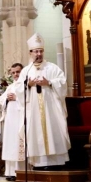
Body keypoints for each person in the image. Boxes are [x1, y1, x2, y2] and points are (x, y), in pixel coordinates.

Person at [22, 33, 71, 168]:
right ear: (30, 53)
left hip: (51, 109)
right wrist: (28, 85)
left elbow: (63, 83)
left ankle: (56, 162)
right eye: (36, 51)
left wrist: (49, 82)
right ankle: (39, 163)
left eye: (41, 51)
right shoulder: (26, 71)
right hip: (34, 109)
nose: (38, 54)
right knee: (36, 132)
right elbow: (19, 89)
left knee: (52, 129)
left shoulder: (52, 68)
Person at [0, 63, 25, 181]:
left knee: (19, 142)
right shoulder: (10, 86)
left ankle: (21, 172)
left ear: (22, 71)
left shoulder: (26, 84)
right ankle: (10, 172)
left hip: (20, 118)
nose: (15, 74)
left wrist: (17, 98)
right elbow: (0, 100)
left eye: (18, 72)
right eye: (13, 73)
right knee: (10, 144)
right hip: (10, 119)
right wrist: (6, 100)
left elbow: (30, 99)